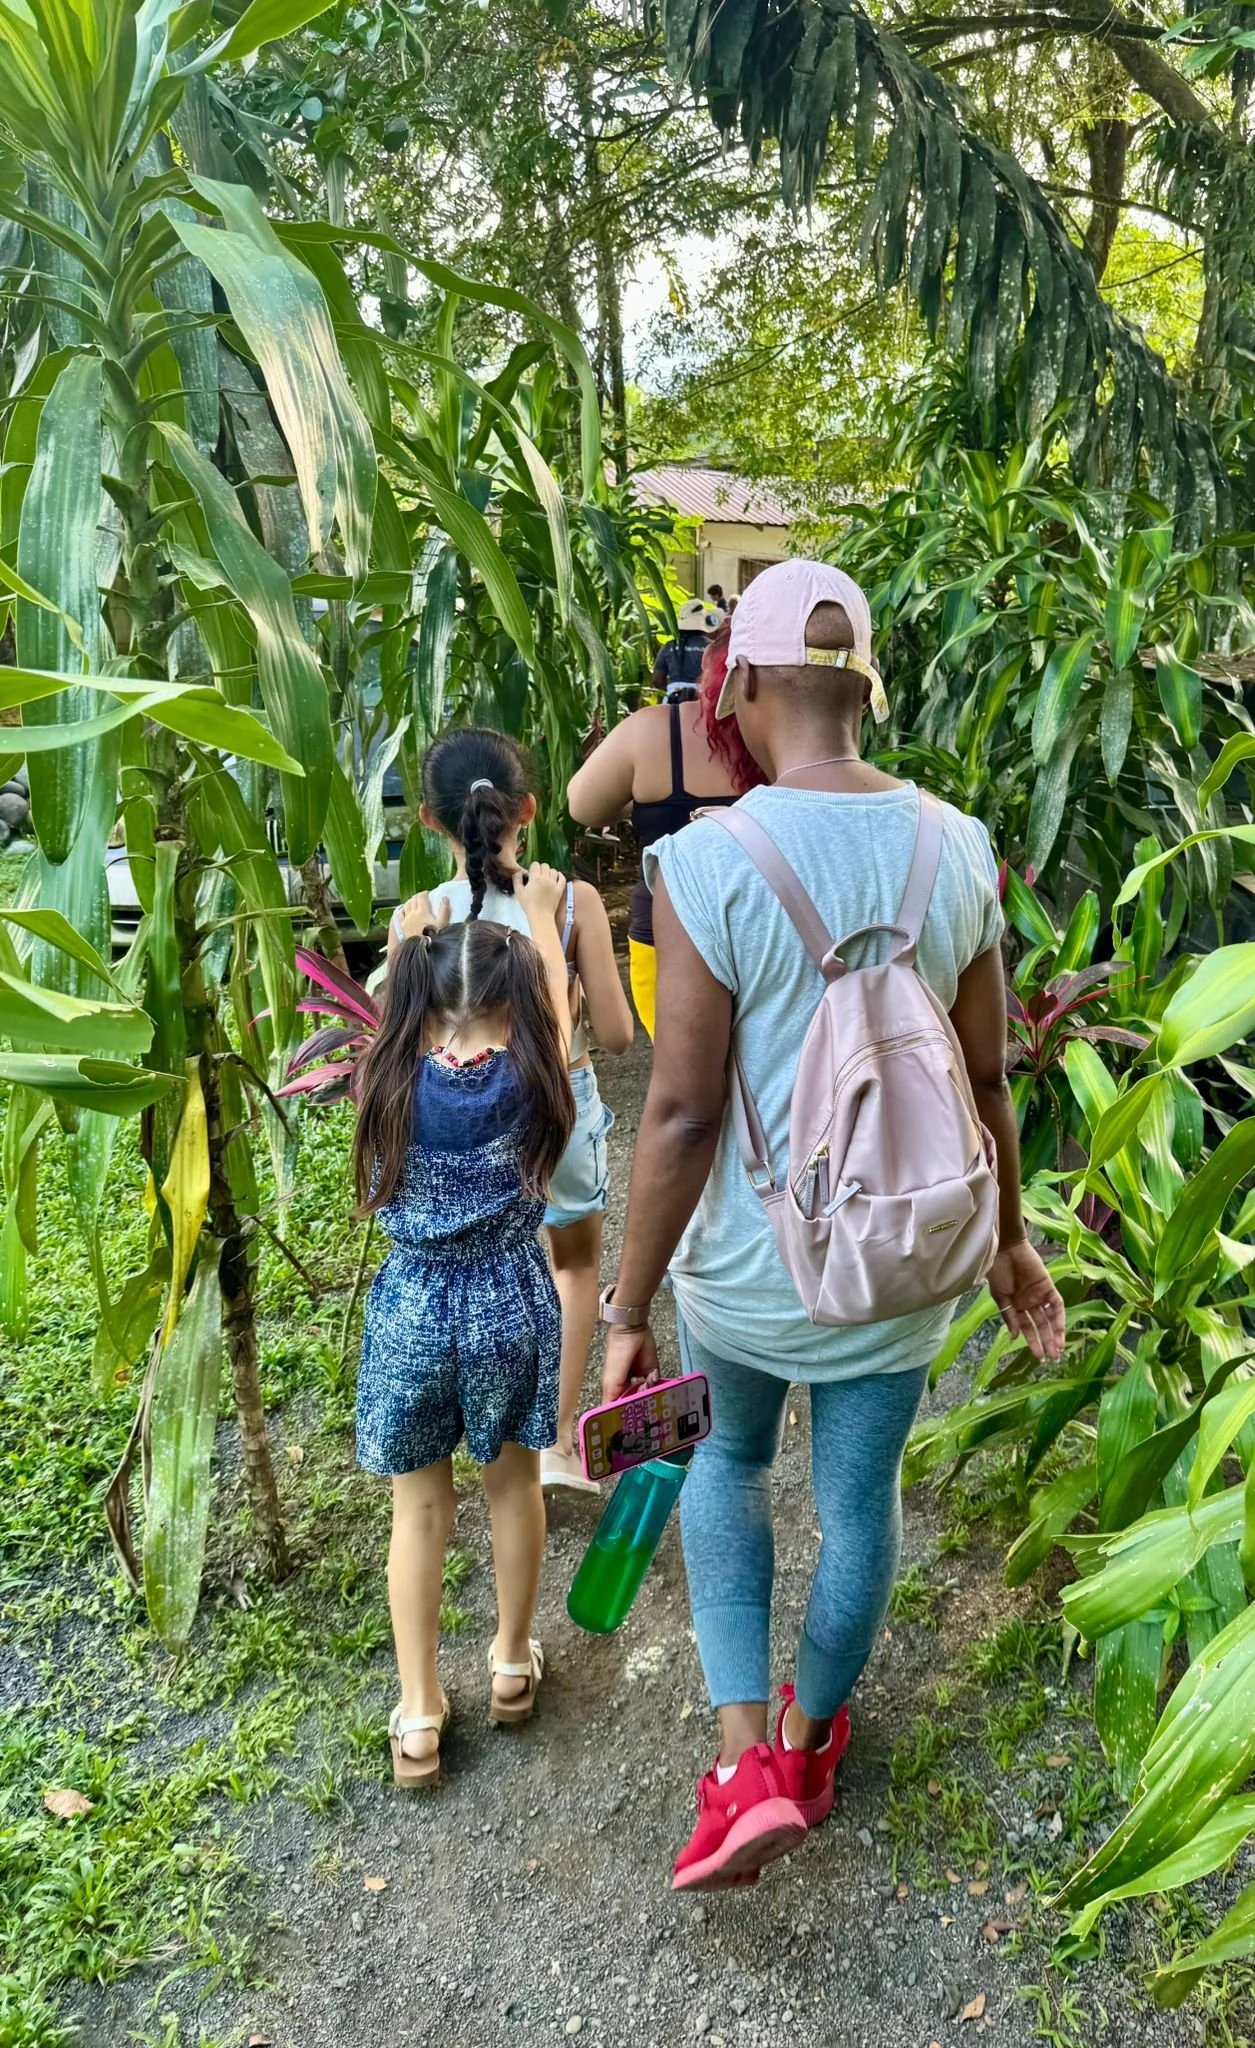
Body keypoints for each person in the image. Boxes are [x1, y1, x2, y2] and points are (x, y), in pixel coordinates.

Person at [599, 560, 1066, 1890]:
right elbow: (985, 1082)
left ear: (738, 688)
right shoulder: (958, 845)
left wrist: (626, 1314)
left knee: (730, 1464)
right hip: (907, 1260)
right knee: (860, 1501)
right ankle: (812, 1739)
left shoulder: (703, 861)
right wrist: (1012, 1242)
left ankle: (743, 1762)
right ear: (866, 687)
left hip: (747, 1273)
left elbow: (682, 1114)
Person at [355, 889, 575, 1788]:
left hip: (413, 1311)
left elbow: (393, 1019)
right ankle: (513, 1664)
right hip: (511, 1307)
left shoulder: (390, 1079)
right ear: (515, 1001)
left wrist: (408, 942)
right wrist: (550, 939)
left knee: (420, 1511)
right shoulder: (532, 1079)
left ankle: (417, 1714)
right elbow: (562, 1039)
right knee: (514, 1485)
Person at [391, 729, 634, 1496]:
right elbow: (623, 1036)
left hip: (463, 1130)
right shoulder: (573, 903)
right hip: (563, 1113)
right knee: (572, 1265)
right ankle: (556, 1441)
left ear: (430, 821)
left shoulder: (417, 919)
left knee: (482, 1266)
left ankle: (479, 1432)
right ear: (529, 808)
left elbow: (404, 1038)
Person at [568, 629, 765, 1041]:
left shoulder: (653, 729)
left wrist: (645, 804)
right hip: (765, 934)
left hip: (663, 930)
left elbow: (582, 806)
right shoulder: (782, 737)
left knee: (686, 1076)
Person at [651, 598, 723, 699]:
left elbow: (657, 679)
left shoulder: (668, 646)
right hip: (701, 698)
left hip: (672, 696)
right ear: (703, 623)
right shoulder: (711, 647)